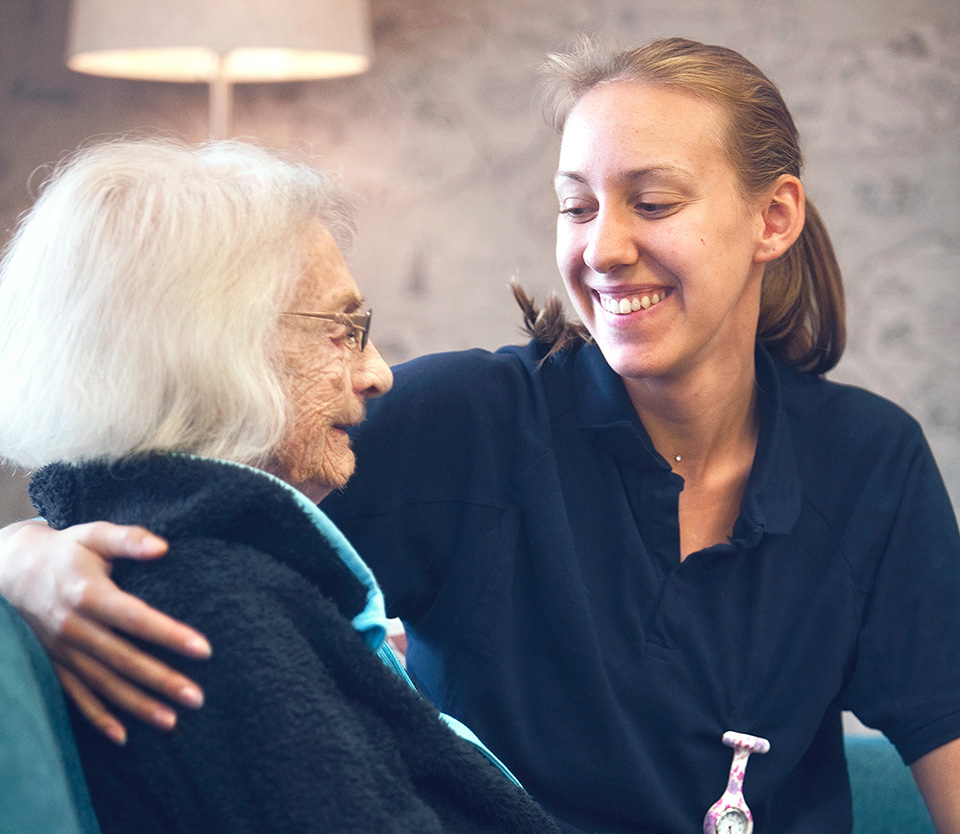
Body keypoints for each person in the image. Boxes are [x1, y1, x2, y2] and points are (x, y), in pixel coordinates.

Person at [2, 36, 959, 834]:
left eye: (653, 202)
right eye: (576, 205)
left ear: (774, 216)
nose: (602, 247)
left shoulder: (872, 463)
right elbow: (182, 512)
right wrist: (23, 562)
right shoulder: (457, 422)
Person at [0, 137, 560, 834]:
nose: (379, 373)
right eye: (342, 331)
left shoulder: (196, 572)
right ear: (213, 344)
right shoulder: (206, 605)